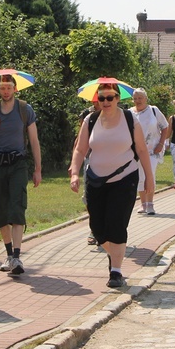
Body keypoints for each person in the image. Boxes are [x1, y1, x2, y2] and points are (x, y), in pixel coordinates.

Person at [68, 83, 154, 288]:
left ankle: (115, 270)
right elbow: (80, 150)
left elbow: (141, 150)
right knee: (97, 228)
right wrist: (74, 172)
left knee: (116, 224)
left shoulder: (129, 119)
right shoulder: (91, 120)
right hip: (96, 179)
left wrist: (149, 178)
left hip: (124, 178)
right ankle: (115, 253)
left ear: (117, 98)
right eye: (102, 98)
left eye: (109, 97)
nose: (105, 102)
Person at [0, 74, 42, 275]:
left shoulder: (25, 109)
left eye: (9, 87)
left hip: (18, 164)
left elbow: (34, 140)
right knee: (1, 209)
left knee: (17, 206)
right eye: (2, 88)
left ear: (15, 89)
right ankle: (7, 255)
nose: (6, 91)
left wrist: (38, 169)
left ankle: (16, 256)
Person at [130, 88, 168, 214]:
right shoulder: (130, 113)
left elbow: (165, 127)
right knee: (139, 176)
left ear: (146, 98)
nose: (137, 101)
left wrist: (161, 143)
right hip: (136, 151)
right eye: (135, 98)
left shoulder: (153, 110)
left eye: (140, 98)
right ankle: (143, 204)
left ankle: (150, 204)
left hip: (152, 150)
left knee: (149, 174)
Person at [75, 99, 102, 245]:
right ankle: (94, 228)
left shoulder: (116, 115)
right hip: (89, 160)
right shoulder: (87, 115)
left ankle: (104, 228)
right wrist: (74, 166)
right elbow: (80, 140)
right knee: (89, 196)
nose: (99, 101)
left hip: (109, 161)